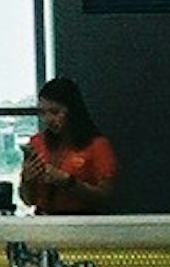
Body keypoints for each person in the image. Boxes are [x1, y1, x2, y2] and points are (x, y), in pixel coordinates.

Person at [15, 77, 117, 216]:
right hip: (44, 220)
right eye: (43, 113)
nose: (48, 120)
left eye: (55, 112)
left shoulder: (96, 145)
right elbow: (28, 200)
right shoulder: (37, 143)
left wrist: (68, 182)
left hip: (82, 222)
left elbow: (105, 198)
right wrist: (27, 180)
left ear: (73, 111)